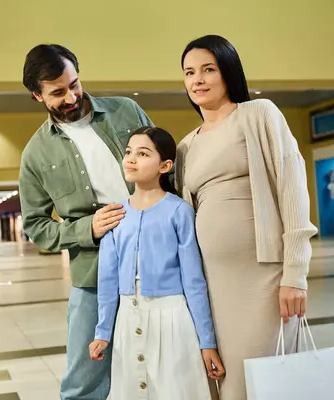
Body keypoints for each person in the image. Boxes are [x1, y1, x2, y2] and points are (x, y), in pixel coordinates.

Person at [175, 34, 318, 399]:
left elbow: (291, 187)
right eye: (190, 72)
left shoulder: (258, 114)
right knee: (224, 382)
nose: (198, 79)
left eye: (209, 69)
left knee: (261, 380)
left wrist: (295, 274)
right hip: (211, 284)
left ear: (229, 72)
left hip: (264, 279)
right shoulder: (185, 145)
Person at [18, 44, 154, 399]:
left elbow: (168, 168)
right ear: (37, 95)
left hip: (157, 259)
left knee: (163, 361)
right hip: (94, 274)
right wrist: (87, 229)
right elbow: (36, 226)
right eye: (57, 92)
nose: (71, 97)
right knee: (84, 380)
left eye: (74, 84)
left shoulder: (126, 111)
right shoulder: (36, 153)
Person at [89, 127, 225, 399]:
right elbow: (107, 279)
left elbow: (194, 281)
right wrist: (103, 331)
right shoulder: (115, 214)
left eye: (142, 153)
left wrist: (207, 342)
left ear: (165, 165)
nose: (131, 159)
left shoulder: (179, 211)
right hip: (127, 318)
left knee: (174, 388)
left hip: (173, 318)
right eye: (128, 152)